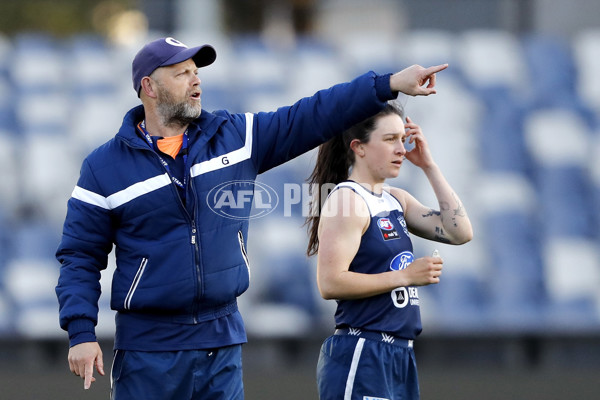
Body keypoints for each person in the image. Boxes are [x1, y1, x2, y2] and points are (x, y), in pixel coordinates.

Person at [55, 35, 447, 399]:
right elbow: (80, 256)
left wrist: (389, 83)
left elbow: (313, 114)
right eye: (182, 74)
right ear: (149, 88)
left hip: (221, 347)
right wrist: (80, 332)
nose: (196, 82)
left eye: (196, 72)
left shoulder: (237, 136)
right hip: (147, 353)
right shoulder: (103, 167)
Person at [305, 101, 473, 399]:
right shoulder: (348, 199)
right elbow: (330, 283)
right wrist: (405, 277)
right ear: (359, 147)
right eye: (389, 139)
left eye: (402, 138)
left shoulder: (396, 199)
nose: (401, 149)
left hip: (399, 354)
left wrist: (429, 166)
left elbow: (459, 232)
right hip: (363, 351)